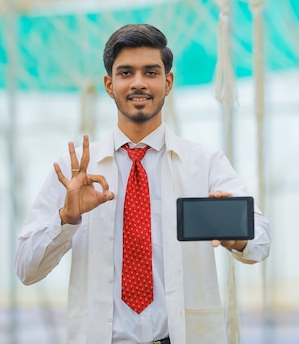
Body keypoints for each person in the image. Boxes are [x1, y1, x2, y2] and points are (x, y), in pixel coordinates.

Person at [15, 23, 271, 344]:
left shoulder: (203, 163)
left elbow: (261, 241)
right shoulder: (77, 171)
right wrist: (66, 220)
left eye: (151, 72)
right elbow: (26, 268)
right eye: (126, 73)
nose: (138, 83)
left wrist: (235, 235)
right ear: (109, 85)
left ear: (168, 81)